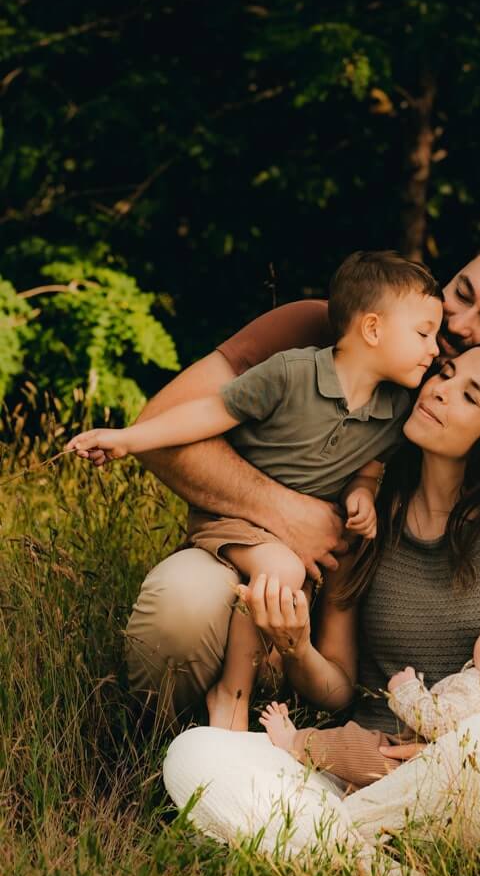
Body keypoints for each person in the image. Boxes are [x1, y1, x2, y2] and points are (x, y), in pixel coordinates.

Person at [126, 236, 480, 730]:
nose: (460, 326)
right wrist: (285, 512)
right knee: (182, 601)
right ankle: (162, 741)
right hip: (255, 560)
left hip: (342, 634)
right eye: (462, 293)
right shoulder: (336, 328)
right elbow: (158, 428)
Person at [162, 341, 480, 862]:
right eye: (445, 373)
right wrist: (297, 648)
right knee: (194, 754)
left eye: (468, 395)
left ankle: (332, 846)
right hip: (366, 767)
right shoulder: (365, 516)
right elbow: (337, 689)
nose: (437, 390)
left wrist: (452, 755)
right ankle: (386, 866)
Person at [67, 251, 442, 728]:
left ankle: (254, 702)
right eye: (423, 333)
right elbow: (209, 413)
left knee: (284, 583)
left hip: (293, 554)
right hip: (232, 523)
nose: (434, 349)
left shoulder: (394, 411)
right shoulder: (290, 372)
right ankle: (231, 696)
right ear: (372, 329)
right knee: (280, 567)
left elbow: (367, 470)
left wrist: (362, 496)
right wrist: (127, 439)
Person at [258, 610, 480, 791]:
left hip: (412, 763)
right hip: (444, 775)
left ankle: (294, 741)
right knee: (368, 774)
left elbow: (438, 722)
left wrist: (407, 689)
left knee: (356, 746)